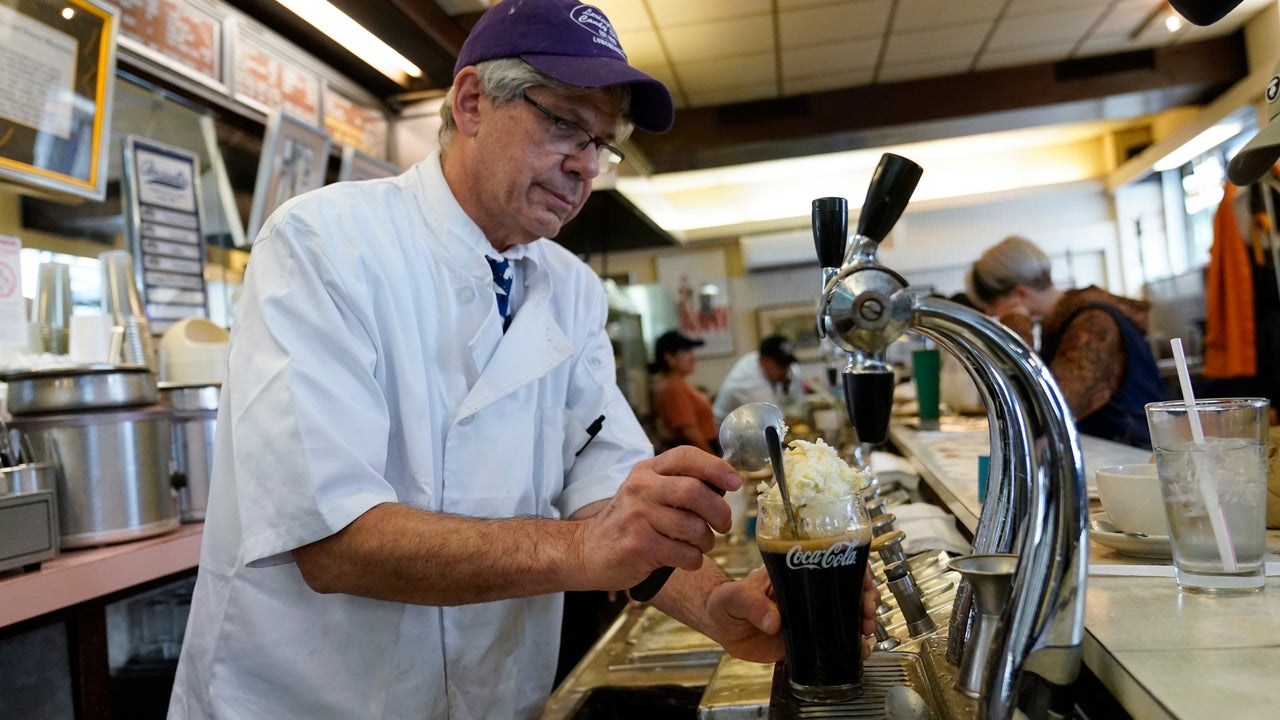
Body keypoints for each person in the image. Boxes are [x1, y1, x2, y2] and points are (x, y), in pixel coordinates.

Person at [165, 3, 890, 718]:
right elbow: (333, 540)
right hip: (311, 701)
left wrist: (717, 605)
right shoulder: (325, 244)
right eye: (564, 123)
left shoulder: (571, 289)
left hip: (494, 698)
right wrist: (583, 550)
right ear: (473, 101)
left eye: (603, 144)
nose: (584, 166)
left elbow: (605, 487)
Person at [966, 235, 1167, 448]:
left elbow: (1045, 411)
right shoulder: (1061, 322)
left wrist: (1015, 323)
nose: (990, 313)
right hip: (1112, 455)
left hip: (1137, 459)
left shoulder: (1093, 323)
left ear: (1020, 293)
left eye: (991, 304)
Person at [651, 329, 719, 454]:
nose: (692, 357)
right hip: (696, 454)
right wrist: (714, 459)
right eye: (686, 351)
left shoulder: (677, 383)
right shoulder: (673, 387)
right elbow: (689, 430)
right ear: (669, 357)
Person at [713, 334, 805, 424]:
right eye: (780, 366)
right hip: (724, 434)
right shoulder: (750, 382)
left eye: (787, 365)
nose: (785, 371)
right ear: (763, 360)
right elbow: (777, 422)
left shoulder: (756, 361)